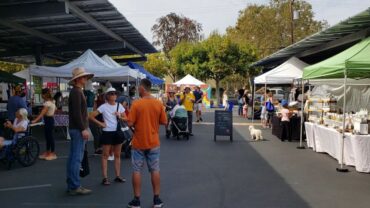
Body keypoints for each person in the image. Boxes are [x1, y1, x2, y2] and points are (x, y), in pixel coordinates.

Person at [126, 79, 167, 208]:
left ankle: (137, 200)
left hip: (138, 142)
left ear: (143, 88)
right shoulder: (158, 103)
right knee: (155, 170)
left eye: (139, 88)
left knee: (137, 170)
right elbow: (164, 121)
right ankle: (156, 199)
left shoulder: (136, 104)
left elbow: (130, 123)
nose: (138, 89)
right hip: (153, 142)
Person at [89, 87, 126, 185]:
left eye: (114, 93)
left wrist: (120, 116)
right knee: (105, 155)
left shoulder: (119, 106)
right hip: (107, 132)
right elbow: (91, 116)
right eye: (111, 93)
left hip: (117, 132)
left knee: (117, 155)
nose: (113, 95)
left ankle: (118, 176)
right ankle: (105, 178)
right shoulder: (103, 107)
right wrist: (101, 124)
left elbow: (126, 118)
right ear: (107, 96)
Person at [66, 67, 93, 196]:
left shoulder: (76, 91)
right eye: (84, 77)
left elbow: (77, 113)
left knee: (73, 158)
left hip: (75, 128)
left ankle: (72, 184)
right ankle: (75, 185)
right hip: (77, 129)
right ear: (78, 79)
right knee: (76, 158)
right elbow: (77, 114)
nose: (86, 78)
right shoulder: (77, 92)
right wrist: (83, 129)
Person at [32, 88, 57, 160]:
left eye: (42, 94)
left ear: (44, 94)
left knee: (50, 137)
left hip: (49, 120)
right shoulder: (52, 101)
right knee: (48, 137)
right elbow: (55, 110)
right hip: (49, 120)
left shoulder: (47, 103)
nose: (41, 96)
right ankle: (48, 152)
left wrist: (35, 120)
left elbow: (42, 114)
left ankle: (52, 153)